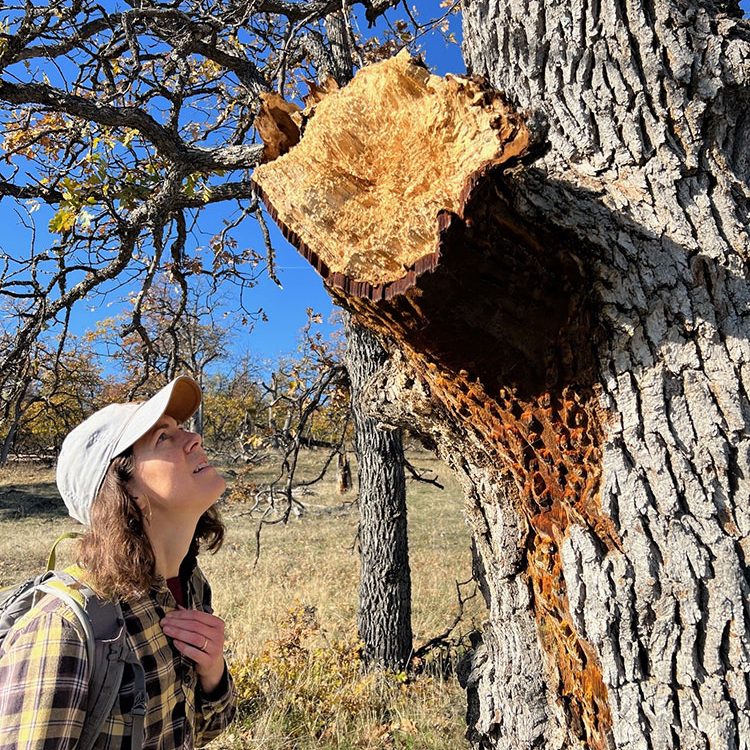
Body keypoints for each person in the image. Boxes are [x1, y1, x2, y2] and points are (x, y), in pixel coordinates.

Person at [0, 375, 236, 749]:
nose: (194, 438)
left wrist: (213, 675)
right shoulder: (67, 628)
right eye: (163, 437)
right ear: (125, 492)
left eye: (180, 430)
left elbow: (200, 731)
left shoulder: (190, 585)